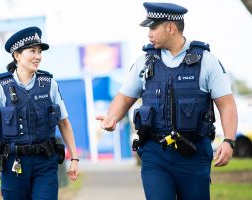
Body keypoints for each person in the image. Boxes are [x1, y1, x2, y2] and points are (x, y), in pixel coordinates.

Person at [96, 2, 238, 200]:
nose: (149, 34)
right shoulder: (144, 61)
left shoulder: (206, 61)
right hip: (156, 154)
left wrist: (229, 141)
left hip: (194, 153)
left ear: (170, 27)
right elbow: (124, 96)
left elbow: (226, 103)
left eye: (153, 27)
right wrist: (112, 117)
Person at [0, 26, 79, 200]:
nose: (38, 56)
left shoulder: (49, 84)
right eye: (32, 51)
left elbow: (64, 122)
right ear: (17, 55)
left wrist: (75, 159)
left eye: (39, 51)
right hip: (14, 163)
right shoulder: (1, 86)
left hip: (45, 162)